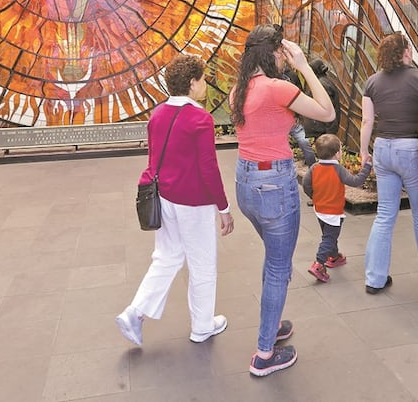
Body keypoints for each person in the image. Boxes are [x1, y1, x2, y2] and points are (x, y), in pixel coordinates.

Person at [230, 23, 335, 376]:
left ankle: (272, 326)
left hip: (246, 183)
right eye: (281, 52)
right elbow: (327, 112)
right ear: (272, 53)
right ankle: (263, 354)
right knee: (278, 268)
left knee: (275, 259)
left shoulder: (238, 90)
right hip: (274, 183)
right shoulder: (278, 88)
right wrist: (304, 66)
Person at [116, 55, 235, 347]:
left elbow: (153, 157)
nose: (204, 85)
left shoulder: (158, 114)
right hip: (194, 202)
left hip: (164, 198)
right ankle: (202, 326)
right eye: (203, 79)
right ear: (192, 83)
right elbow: (209, 168)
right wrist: (224, 207)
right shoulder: (200, 119)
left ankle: (135, 312)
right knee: (202, 263)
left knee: (167, 257)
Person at [360, 32, 418, 293]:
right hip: (412, 149)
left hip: (382, 147)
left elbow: (367, 122)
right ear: (406, 52)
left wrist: (364, 152)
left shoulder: (372, 82)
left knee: (384, 215)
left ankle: (375, 278)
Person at [303, 134, 372, 282]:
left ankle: (333, 257)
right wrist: (367, 167)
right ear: (337, 154)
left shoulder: (314, 167)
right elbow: (356, 181)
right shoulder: (338, 169)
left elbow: (306, 185)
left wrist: (314, 197)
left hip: (319, 209)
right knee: (329, 237)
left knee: (328, 234)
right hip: (333, 212)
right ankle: (319, 263)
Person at [302, 58, 341, 139]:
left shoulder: (322, 85)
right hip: (321, 129)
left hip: (321, 131)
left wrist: (328, 132)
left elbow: (328, 107)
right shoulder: (324, 82)